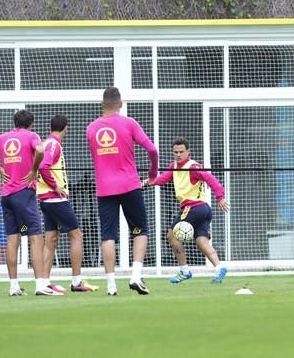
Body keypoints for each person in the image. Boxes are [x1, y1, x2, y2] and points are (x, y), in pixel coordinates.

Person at [0, 109, 54, 296]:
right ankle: (41, 285)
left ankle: (13, 286)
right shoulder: (31, 135)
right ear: (31, 123)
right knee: (35, 237)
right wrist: (34, 169)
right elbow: (40, 150)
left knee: (12, 238)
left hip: (6, 195)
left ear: (15, 122)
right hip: (23, 193)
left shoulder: (3, 138)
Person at [86, 87, 158, 296]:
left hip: (104, 188)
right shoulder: (129, 123)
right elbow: (152, 149)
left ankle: (110, 286)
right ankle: (135, 276)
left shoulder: (91, 129)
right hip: (129, 185)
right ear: (121, 103)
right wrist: (152, 174)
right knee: (140, 230)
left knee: (108, 235)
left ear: (102, 104)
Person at [144, 138, 229, 284]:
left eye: (181, 152)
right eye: (175, 152)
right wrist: (149, 182)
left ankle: (185, 271)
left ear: (188, 152)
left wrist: (220, 197)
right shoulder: (174, 167)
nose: (178, 155)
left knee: (171, 236)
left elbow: (211, 179)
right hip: (204, 210)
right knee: (202, 242)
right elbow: (163, 179)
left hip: (193, 207)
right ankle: (219, 268)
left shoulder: (193, 167)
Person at [37, 115, 99, 293]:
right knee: (77, 235)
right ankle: (77, 281)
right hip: (55, 199)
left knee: (50, 239)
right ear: (66, 128)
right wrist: (55, 185)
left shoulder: (46, 142)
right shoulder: (54, 144)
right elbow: (44, 167)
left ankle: (45, 283)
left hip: (45, 199)